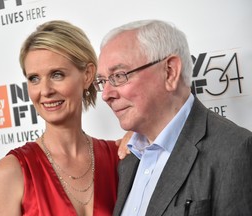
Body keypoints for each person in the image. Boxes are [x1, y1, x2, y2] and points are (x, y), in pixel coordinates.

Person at [94, 19, 252, 216]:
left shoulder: (233, 150)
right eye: (102, 81)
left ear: (170, 71)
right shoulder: (127, 159)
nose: (106, 94)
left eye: (118, 75)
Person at [0, 20, 120, 216]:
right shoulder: (11, 171)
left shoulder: (118, 157)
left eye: (57, 75)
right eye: (34, 79)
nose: (45, 91)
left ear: (88, 75)